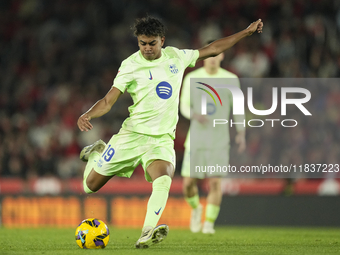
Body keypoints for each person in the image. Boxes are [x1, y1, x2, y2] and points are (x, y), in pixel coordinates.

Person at [77, 16, 263, 248]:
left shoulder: (177, 57)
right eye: (142, 43)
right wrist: (88, 114)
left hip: (162, 140)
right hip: (132, 136)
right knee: (89, 187)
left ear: (162, 40)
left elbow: (213, 48)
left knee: (163, 179)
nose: (146, 48)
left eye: (151, 43)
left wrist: (246, 32)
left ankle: (147, 232)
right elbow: (108, 100)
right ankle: (97, 152)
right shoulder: (130, 65)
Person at [180, 40, 246, 234]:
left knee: (215, 182)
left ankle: (208, 224)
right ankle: (195, 209)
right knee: (188, 184)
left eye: (216, 54)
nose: (212, 59)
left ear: (222, 55)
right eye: (209, 55)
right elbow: (183, 104)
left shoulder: (231, 79)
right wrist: (194, 115)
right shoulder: (191, 78)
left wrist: (241, 133)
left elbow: (238, 109)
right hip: (196, 140)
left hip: (219, 141)